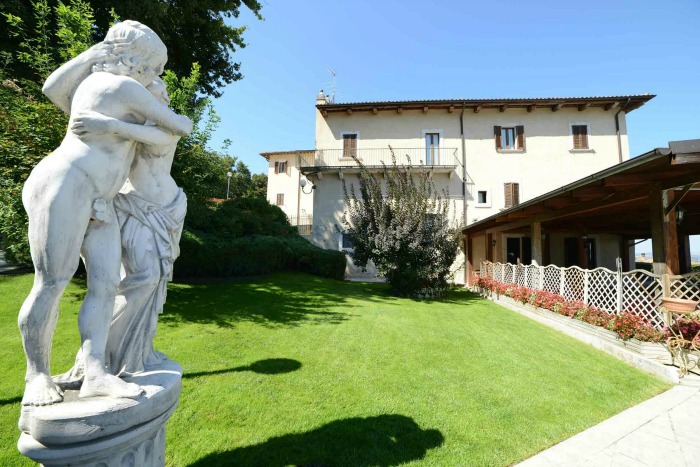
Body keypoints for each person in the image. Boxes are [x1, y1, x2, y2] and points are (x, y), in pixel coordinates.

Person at [19, 21, 191, 406]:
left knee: (106, 284)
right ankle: (36, 375)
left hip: (102, 198)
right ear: (134, 60)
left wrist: (90, 64)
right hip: (66, 184)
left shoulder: (95, 87)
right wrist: (117, 118)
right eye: (153, 66)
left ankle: (96, 372)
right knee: (51, 282)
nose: (155, 75)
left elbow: (53, 89)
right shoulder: (122, 87)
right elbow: (179, 125)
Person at [61, 76, 186, 379]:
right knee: (140, 280)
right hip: (135, 207)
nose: (161, 95)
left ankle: (139, 352)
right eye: (150, 91)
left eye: (161, 91)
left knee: (154, 283)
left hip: (170, 209)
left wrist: (108, 125)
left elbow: (164, 137)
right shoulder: (125, 121)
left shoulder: (167, 125)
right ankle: (100, 356)